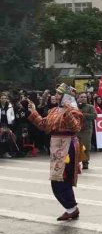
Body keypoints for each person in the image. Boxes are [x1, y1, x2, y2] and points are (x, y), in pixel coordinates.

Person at [26, 84, 84, 220]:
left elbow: (76, 127)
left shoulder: (75, 111)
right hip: (56, 146)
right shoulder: (53, 111)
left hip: (67, 146)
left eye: (58, 94)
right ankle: (71, 208)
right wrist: (33, 111)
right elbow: (44, 126)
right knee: (56, 179)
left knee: (62, 178)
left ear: (65, 97)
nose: (55, 96)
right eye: (56, 94)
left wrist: (67, 111)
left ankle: (71, 208)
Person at [75, 93, 96, 170]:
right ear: (78, 98)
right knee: (75, 147)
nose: (83, 98)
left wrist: (83, 115)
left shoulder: (90, 107)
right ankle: (75, 163)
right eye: (81, 97)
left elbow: (94, 116)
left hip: (86, 129)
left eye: (85, 97)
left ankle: (85, 162)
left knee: (86, 146)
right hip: (76, 129)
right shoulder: (75, 107)